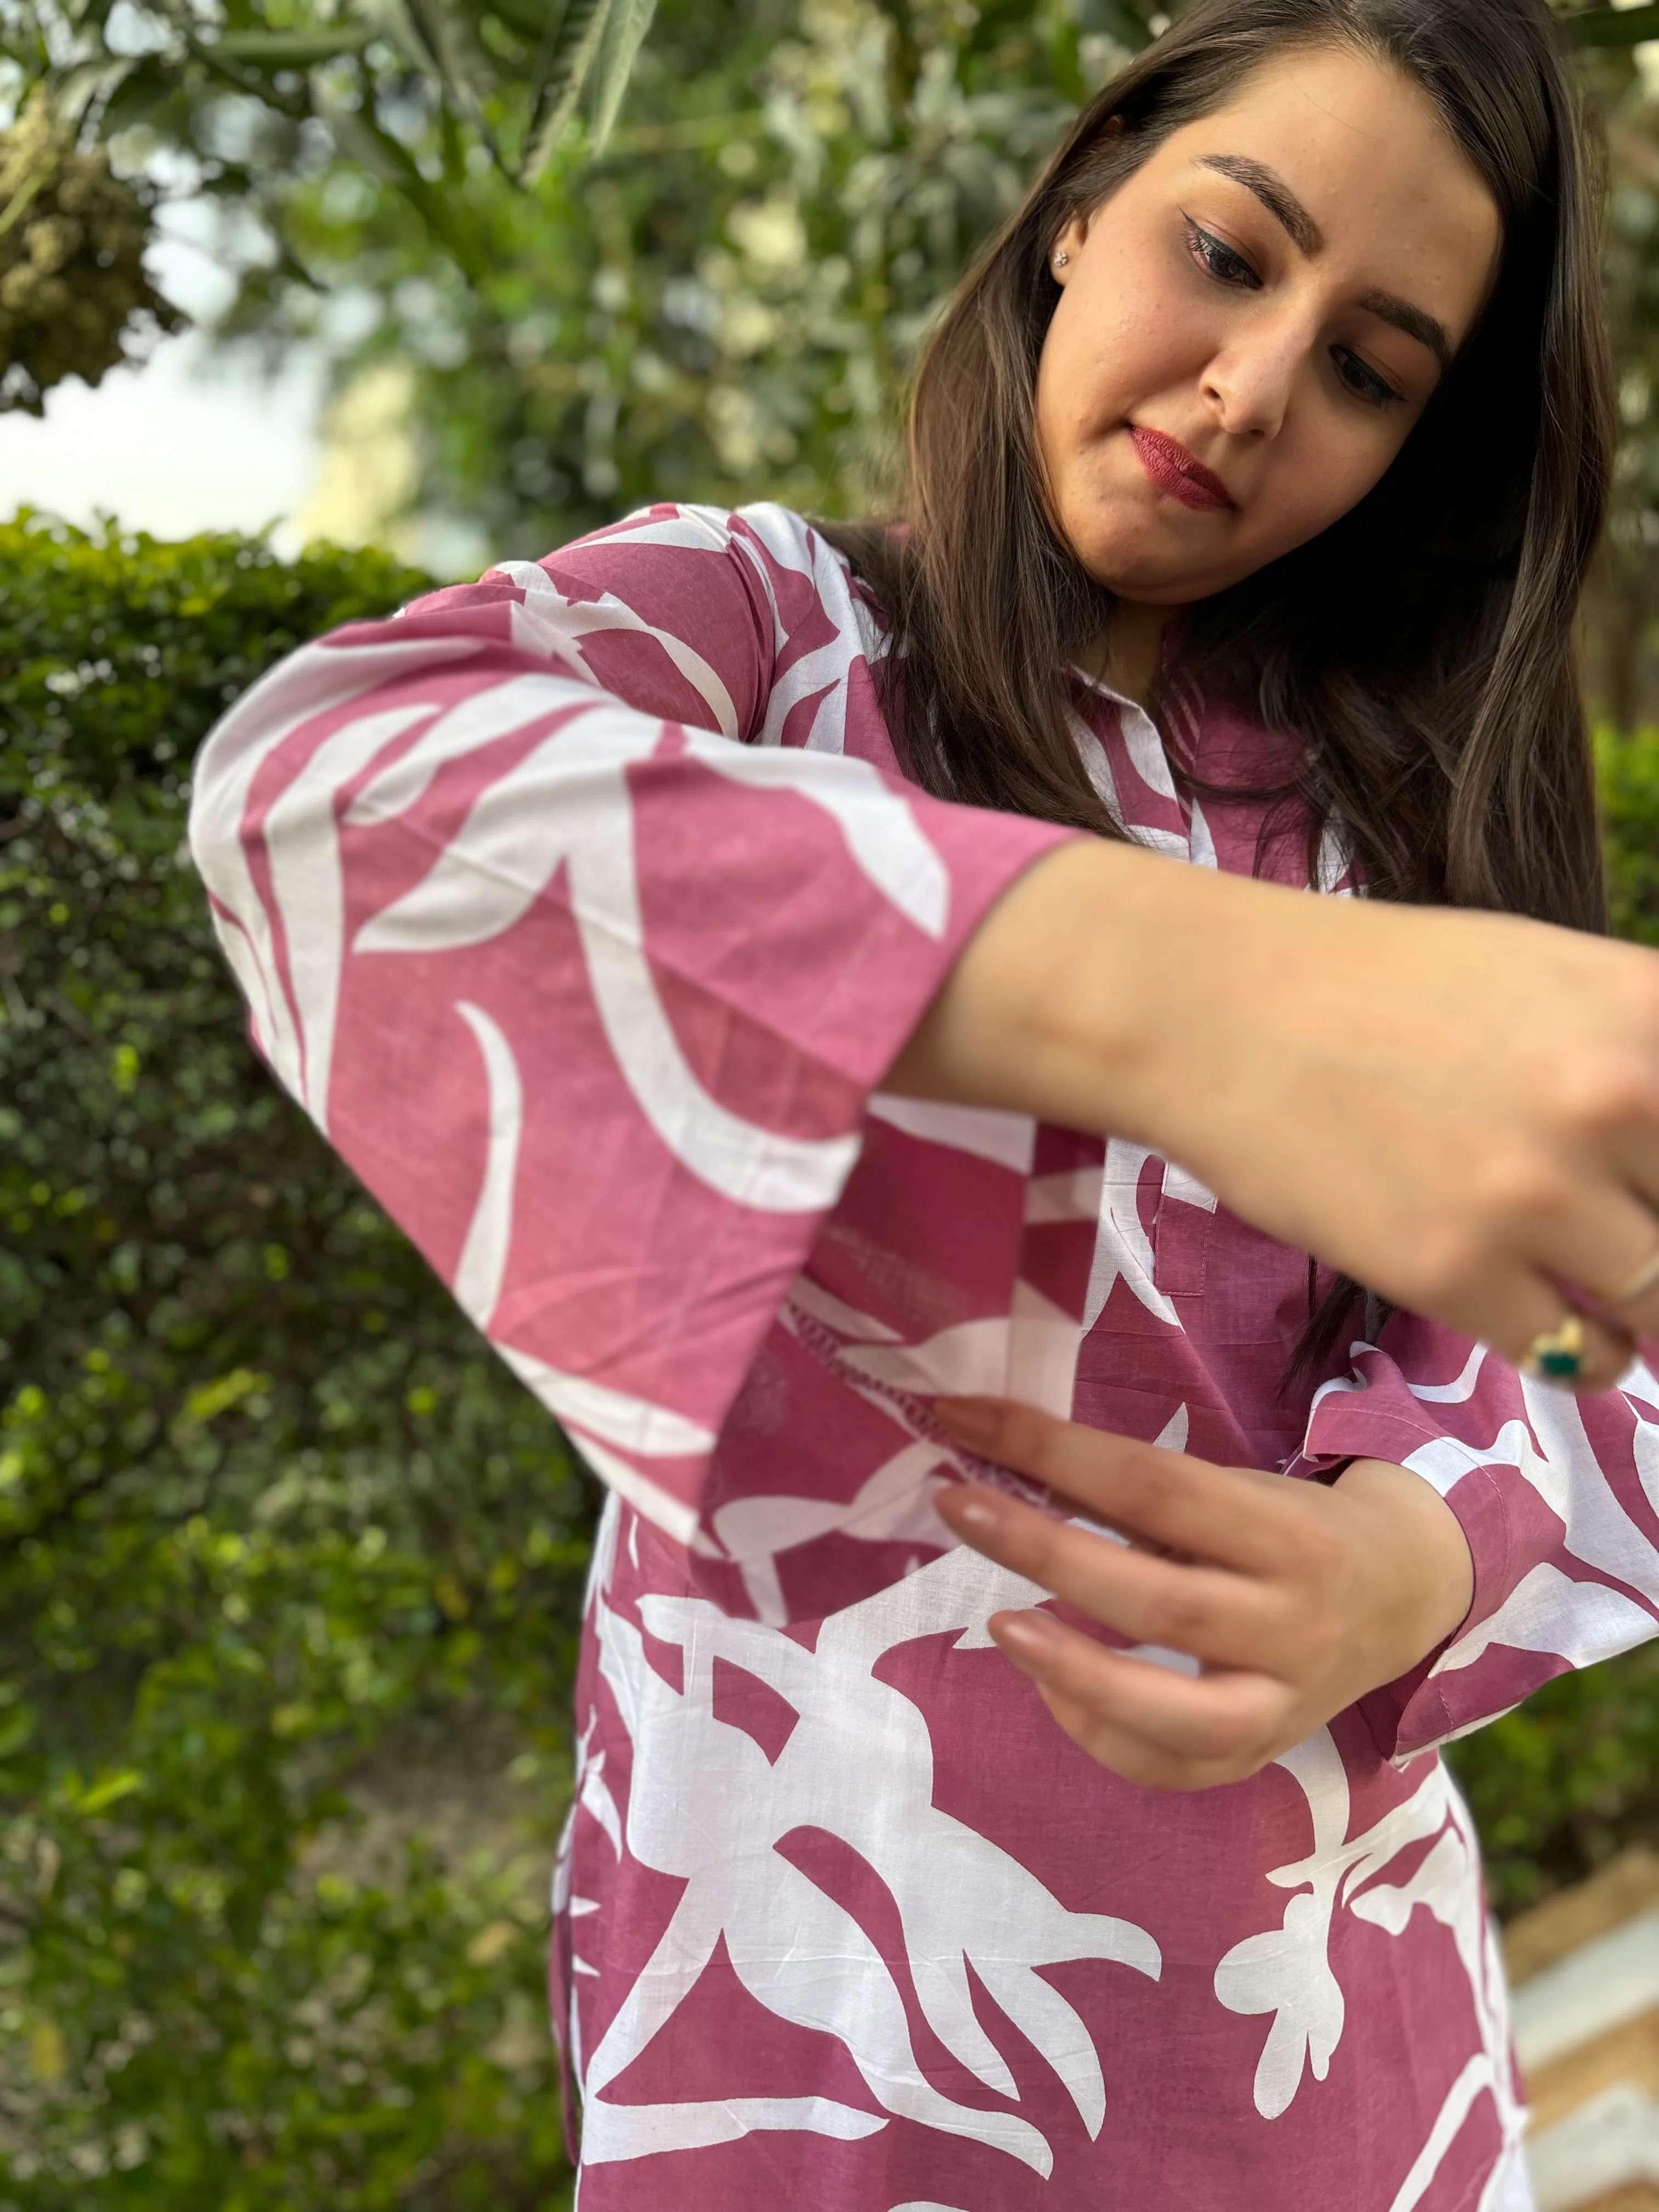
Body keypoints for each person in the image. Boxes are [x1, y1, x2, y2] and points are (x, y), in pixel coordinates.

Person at [188, 0, 1659, 2203]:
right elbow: (324, 784)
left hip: (1315, 2037)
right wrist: (1160, 991)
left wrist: (1419, 1552)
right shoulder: (773, 642)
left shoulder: (1396, 824)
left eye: (1369, 370)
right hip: (795, 2008)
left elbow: (1597, 1320)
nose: (1253, 390)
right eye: (1229, 253)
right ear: (1080, 209)